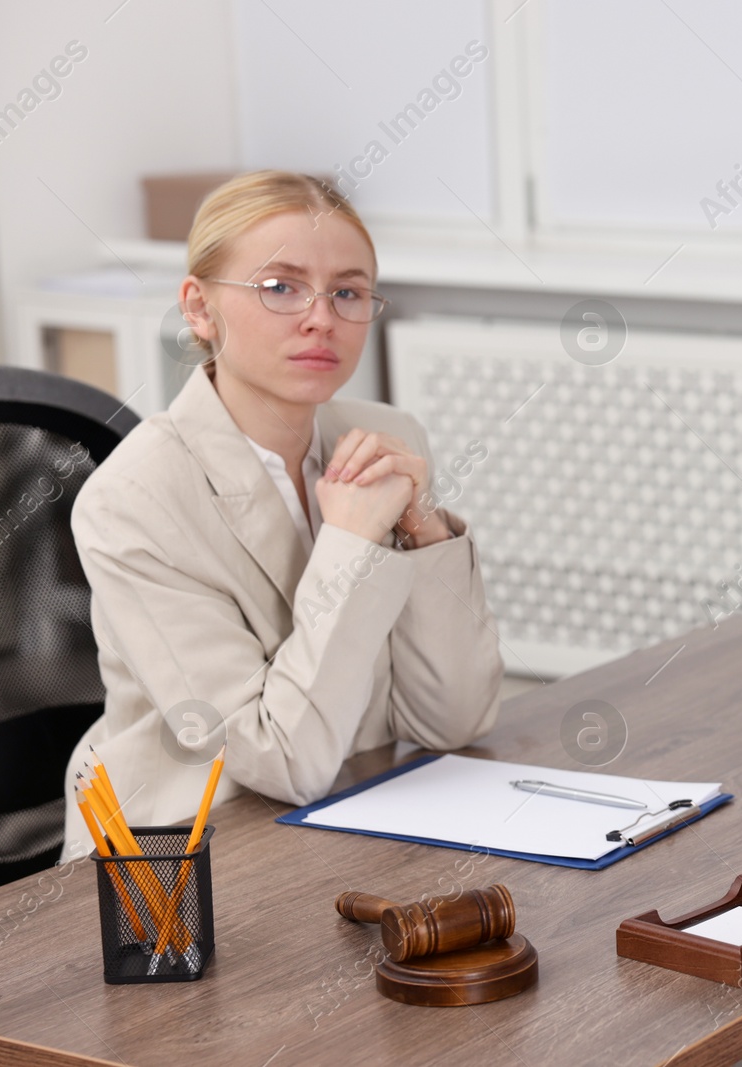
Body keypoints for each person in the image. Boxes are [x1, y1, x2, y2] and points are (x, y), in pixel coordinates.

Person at [60, 171, 504, 860]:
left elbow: (456, 719)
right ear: (200, 310)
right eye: (280, 287)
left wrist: (425, 534)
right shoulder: (134, 501)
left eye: (348, 292)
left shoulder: (387, 437)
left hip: (356, 808)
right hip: (190, 865)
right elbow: (280, 762)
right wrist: (352, 542)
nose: (320, 317)